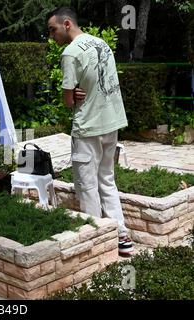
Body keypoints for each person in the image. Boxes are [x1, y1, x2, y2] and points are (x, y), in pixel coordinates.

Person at [47, 7, 133, 256]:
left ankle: (96, 241)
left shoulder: (70, 53)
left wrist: (71, 95)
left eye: (52, 30)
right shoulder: (102, 44)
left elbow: (67, 101)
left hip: (88, 129)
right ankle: (121, 236)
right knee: (107, 181)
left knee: (86, 185)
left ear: (66, 24)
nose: (51, 36)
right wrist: (76, 92)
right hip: (112, 123)